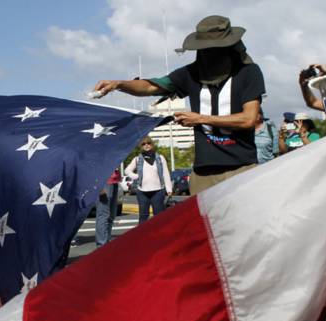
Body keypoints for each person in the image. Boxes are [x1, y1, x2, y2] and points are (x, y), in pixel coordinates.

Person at [93, 15, 265, 195]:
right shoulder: (191, 73)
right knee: (201, 223)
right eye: (204, 50)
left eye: (214, 50)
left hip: (241, 168)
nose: (209, 55)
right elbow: (152, 85)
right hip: (203, 172)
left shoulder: (248, 72)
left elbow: (248, 119)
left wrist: (200, 119)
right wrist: (119, 84)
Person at [124, 137, 172, 224]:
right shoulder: (137, 159)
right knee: (143, 216)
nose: (146, 145)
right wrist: (136, 176)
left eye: (148, 143)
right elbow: (127, 171)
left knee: (159, 216)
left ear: (152, 144)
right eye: (143, 144)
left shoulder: (160, 158)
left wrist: (169, 189)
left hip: (158, 190)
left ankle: (160, 236)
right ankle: (143, 237)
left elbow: (166, 173)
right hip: (142, 192)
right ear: (141, 146)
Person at [95, 167, 122, 247]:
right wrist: (99, 186)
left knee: (111, 216)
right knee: (103, 215)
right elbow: (94, 164)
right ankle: (101, 245)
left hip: (114, 181)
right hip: (104, 182)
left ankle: (106, 243)